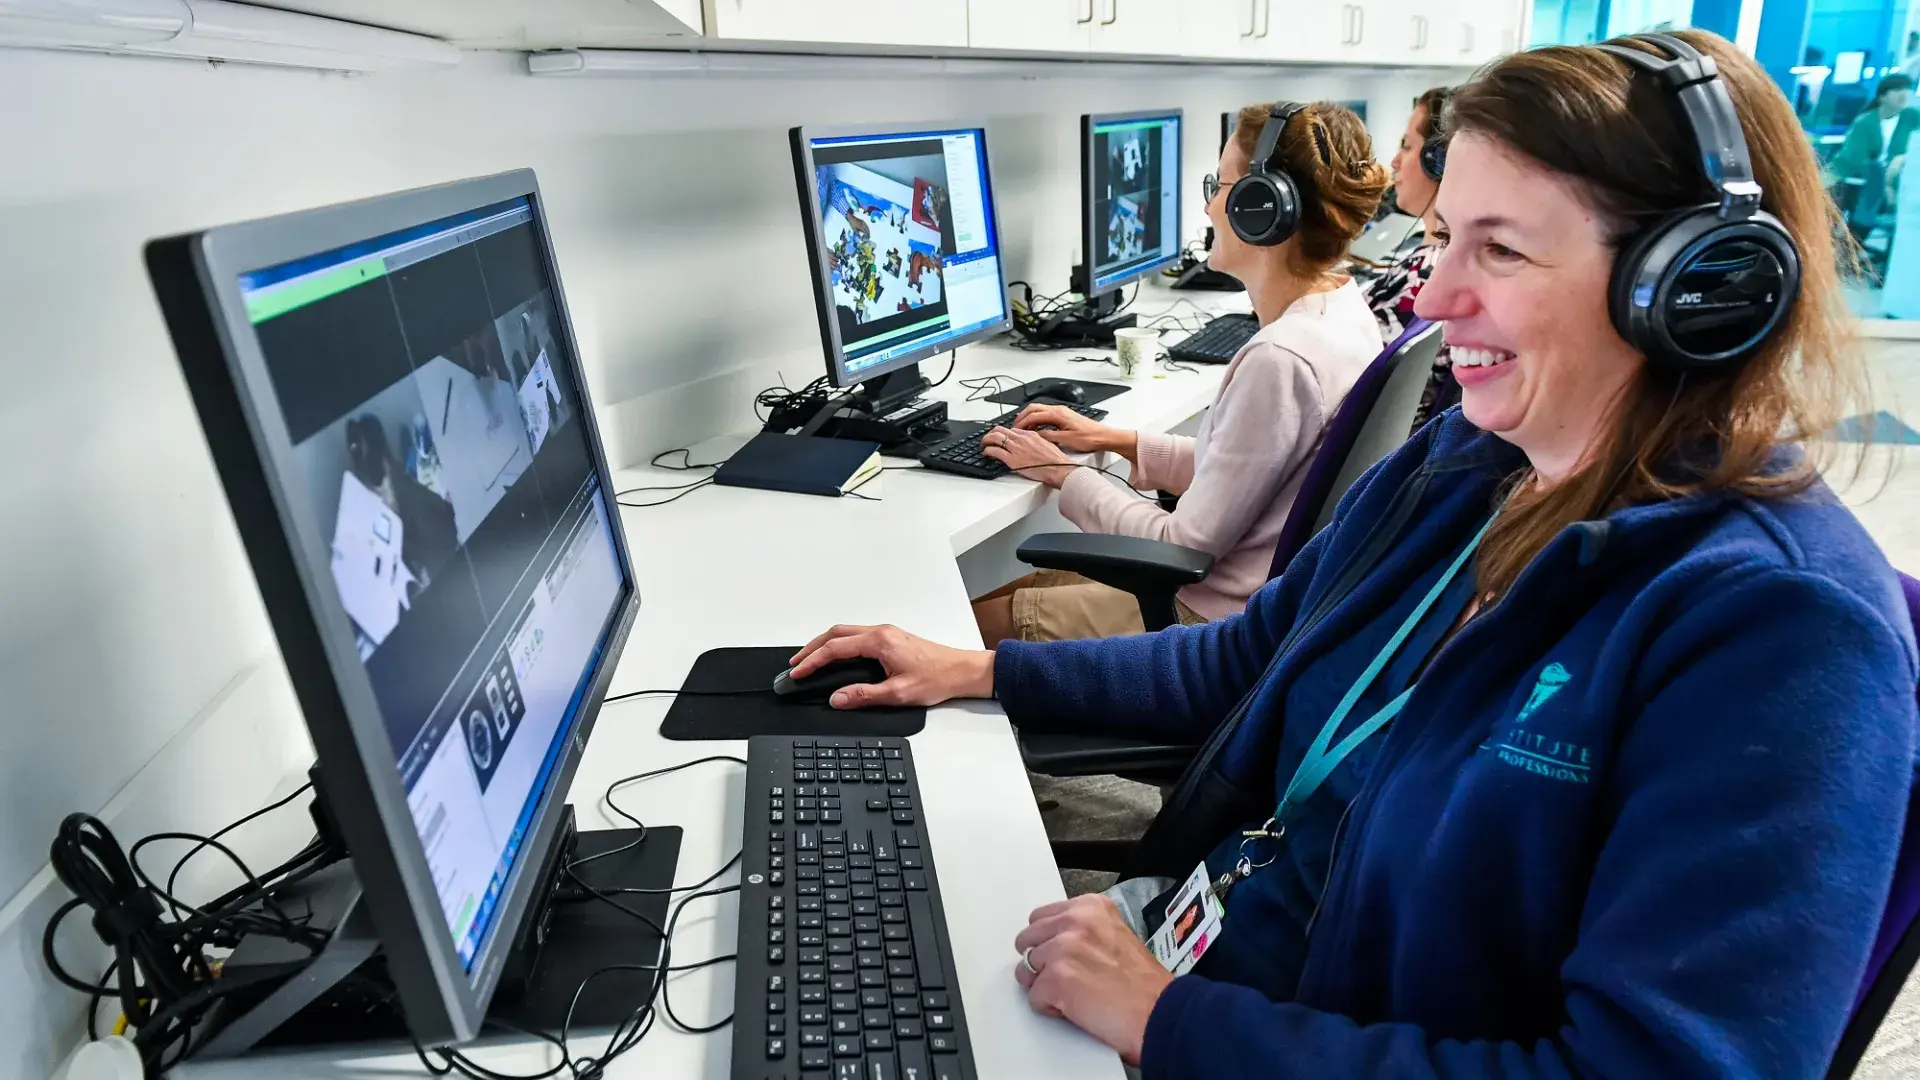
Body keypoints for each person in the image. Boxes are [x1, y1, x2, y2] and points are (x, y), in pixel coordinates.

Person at [786, 30, 1919, 1077]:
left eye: (1504, 250)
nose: (1432, 293)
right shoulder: (1462, 471)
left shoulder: (1782, 633)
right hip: (1228, 963)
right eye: (1438, 238)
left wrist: (1174, 1024)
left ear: (1695, 287)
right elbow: (1244, 660)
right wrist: (981, 670)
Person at [972, 101, 1387, 644]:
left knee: (958, 626)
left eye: (1220, 185)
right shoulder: (1343, 314)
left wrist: (1065, 475)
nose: (1211, 206)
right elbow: (1247, 473)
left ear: (1260, 209)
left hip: (1204, 624)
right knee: (994, 600)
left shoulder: (1282, 360)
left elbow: (1182, 545)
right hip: (1247, 603)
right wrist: (1119, 441)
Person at [1365, 86, 1458, 431]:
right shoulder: (1441, 264)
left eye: (1406, 146)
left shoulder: (1420, 279)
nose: (1394, 161)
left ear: (1439, 161)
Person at [1828, 72, 1919, 241]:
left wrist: (1901, 161)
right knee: (1874, 172)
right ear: (1882, 96)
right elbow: (1850, 160)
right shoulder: (1865, 122)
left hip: (1902, 181)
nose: (1904, 94)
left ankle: (1856, 240)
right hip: (1869, 184)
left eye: (1907, 89)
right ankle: (1857, 238)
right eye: (1898, 89)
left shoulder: (1912, 117)